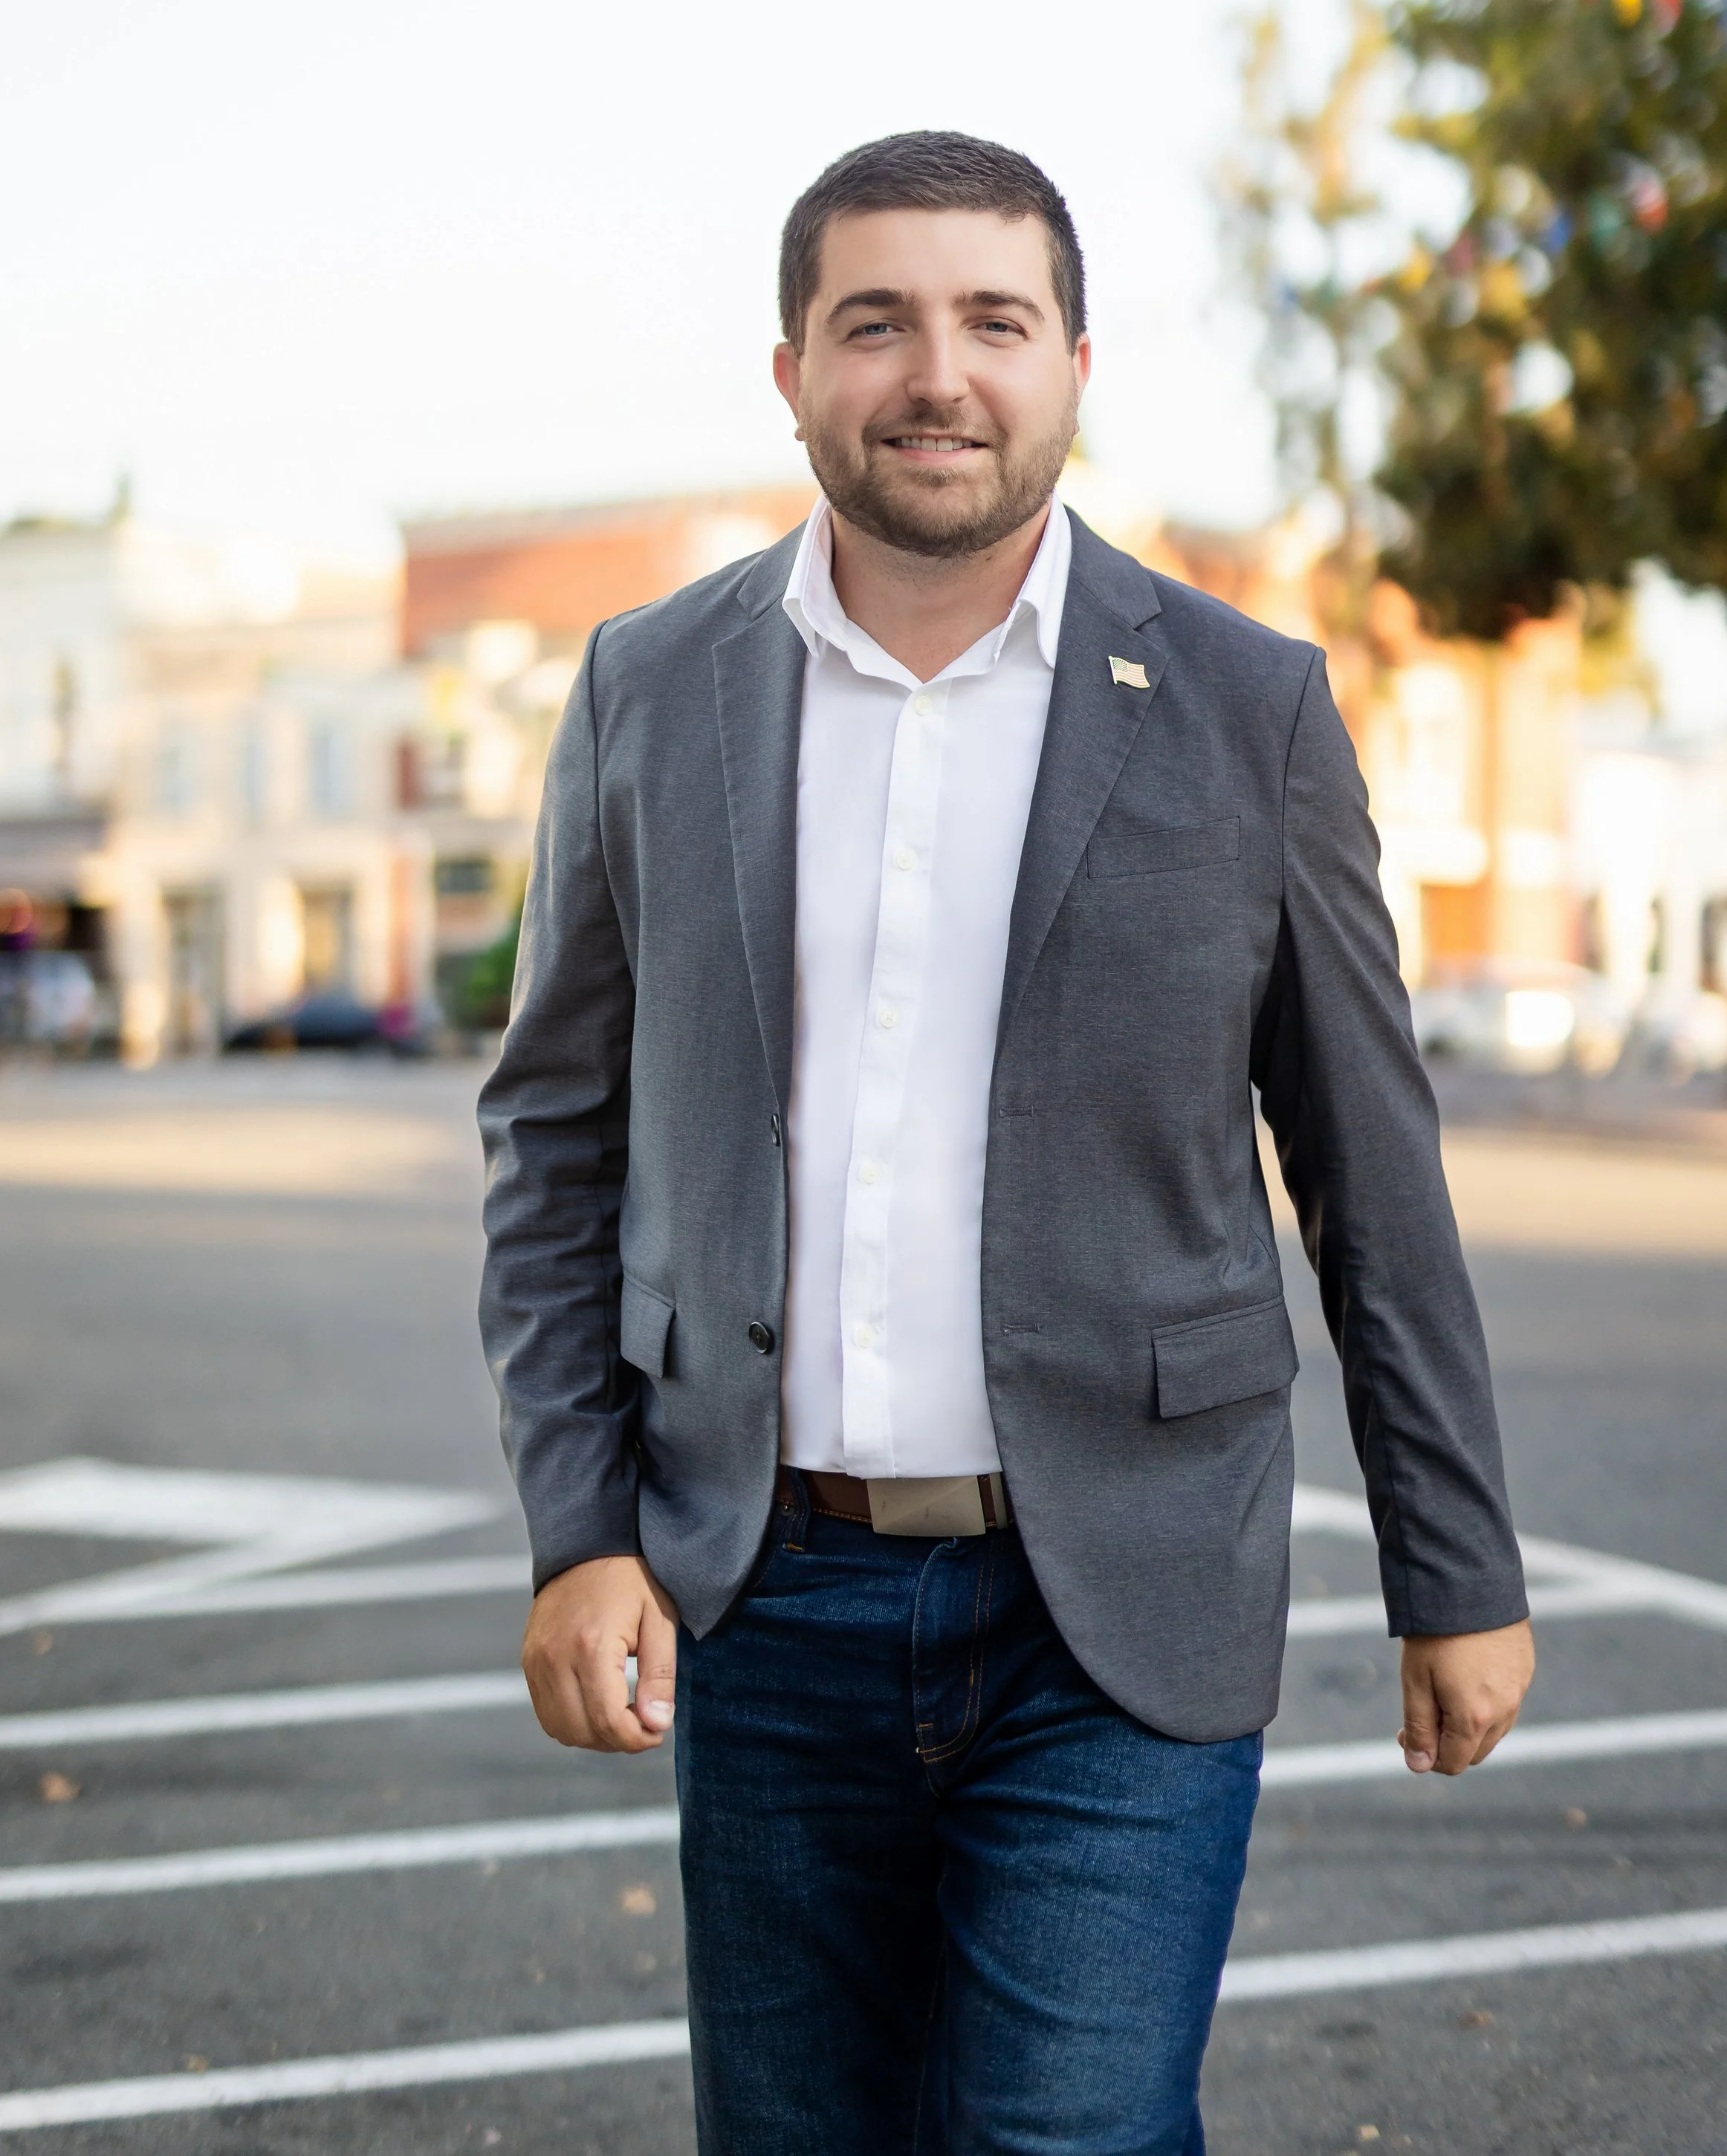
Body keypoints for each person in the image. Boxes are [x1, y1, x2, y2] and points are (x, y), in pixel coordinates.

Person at [479, 130, 1535, 2156]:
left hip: (1115, 1592)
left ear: (1072, 366)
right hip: (761, 1590)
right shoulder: (650, 686)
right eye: (873, 322)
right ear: (790, 368)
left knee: (1068, 2131)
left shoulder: (1245, 704)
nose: (935, 374)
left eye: (992, 320)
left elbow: (1367, 1168)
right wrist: (579, 1521)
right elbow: (553, 1133)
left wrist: (1452, 1563)